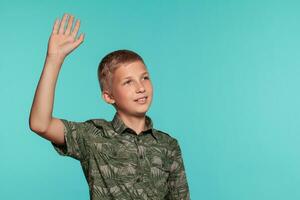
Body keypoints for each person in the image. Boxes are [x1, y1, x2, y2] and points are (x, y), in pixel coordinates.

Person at [29, 13, 190, 200]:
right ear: (109, 96)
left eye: (145, 78)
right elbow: (40, 124)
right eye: (128, 82)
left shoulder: (168, 145)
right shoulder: (92, 136)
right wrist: (54, 60)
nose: (140, 88)